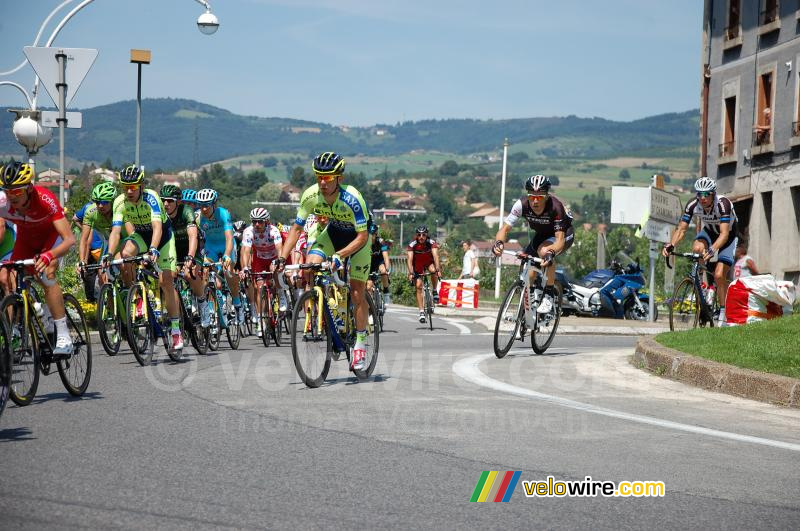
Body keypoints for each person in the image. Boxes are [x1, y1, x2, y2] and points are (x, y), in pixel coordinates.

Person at [277, 151, 372, 371]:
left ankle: (359, 343)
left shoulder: (352, 198)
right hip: (333, 233)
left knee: (357, 291)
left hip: (358, 240)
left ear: (340, 178)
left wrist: (339, 256)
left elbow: (363, 236)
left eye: (328, 177)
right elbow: (297, 229)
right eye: (319, 176)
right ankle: (326, 310)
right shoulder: (310, 196)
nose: (322, 182)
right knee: (310, 265)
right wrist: (282, 257)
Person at [0, 162, 76, 356]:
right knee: (9, 275)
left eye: (17, 192)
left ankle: (64, 335)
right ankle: (32, 312)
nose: (11, 196)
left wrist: (50, 254)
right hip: (26, 239)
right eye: (8, 191)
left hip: (51, 237)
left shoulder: (44, 199)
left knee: (47, 273)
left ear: (28, 188)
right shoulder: (3, 202)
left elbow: (69, 239)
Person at [105, 165, 183, 350]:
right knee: (124, 255)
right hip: (140, 235)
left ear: (141, 186)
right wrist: (109, 254)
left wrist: (154, 249)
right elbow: (116, 231)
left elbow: (157, 227)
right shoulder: (119, 202)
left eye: (133, 187)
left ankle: (175, 330)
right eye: (125, 187)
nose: (129, 191)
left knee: (166, 281)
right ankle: (137, 295)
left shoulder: (151, 198)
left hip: (162, 238)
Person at [492, 174, 574, 314]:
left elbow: (559, 240)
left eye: (540, 197)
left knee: (544, 252)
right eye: (532, 196)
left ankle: (549, 294)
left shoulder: (555, 207)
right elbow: (504, 229)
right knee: (527, 270)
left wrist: (551, 253)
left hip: (563, 235)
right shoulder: (521, 205)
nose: (535, 201)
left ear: (546, 196)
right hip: (541, 235)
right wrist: (498, 243)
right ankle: (527, 312)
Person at [662, 176, 738, 323]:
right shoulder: (692, 204)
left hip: (727, 236)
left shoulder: (723, 204)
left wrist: (712, 250)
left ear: (713, 194)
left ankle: (723, 311)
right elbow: (682, 229)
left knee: (719, 274)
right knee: (697, 248)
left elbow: (724, 234)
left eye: (706, 194)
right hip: (709, 231)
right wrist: (671, 244)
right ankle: (702, 286)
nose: (702, 198)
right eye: (699, 194)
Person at [195, 188, 244, 326]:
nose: (204, 209)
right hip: (211, 246)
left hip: (226, 245)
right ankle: (208, 308)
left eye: (207, 205)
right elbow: (196, 238)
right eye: (201, 205)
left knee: (228, 272)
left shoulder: (223, 213)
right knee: (204, 271)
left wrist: (227, 255)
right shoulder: (198, 217)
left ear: (214, 204)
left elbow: (229, 237)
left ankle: (237, 303)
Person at [239, 208, 283, 337]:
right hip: (260, 259)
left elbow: (279, 248)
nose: (257, 225)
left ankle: (280, 293)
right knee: (259, 287)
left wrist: (279, 262)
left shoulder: (274, 230)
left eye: (260, 222)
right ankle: (260, 319)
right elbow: (246, 251)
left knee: (276, 274)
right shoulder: (248, 232)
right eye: (254, 222)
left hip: (273, 257)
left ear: (266, 222)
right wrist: (245, 268)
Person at [160, 184, 205, 306]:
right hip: (173, 249)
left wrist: (190, 257)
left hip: (191, 247)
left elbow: (192, 236)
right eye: (163, 200)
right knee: (166, 277)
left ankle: (202, 301)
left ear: (178, 202)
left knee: (189, 274)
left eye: (170, 201)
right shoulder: (160, 214)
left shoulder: (186, 211)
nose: (165, 204)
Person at [76, 182, 119, 300]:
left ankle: (134, 294)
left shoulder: (118, 209)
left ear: (112, 201)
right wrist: (82, 261)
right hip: (107, 241)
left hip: (122, 239)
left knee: (125, 265)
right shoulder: (91, 211)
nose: (100, 205)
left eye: (105, 202)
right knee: (101, 272)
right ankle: (111, 312)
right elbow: (84, 240)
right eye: (97, 202)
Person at [406, 225, 442, 323]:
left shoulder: (431, 243)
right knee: (418, 286)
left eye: (424, 235)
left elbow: (435, 256)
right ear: (416, 236)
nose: (421, 237)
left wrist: (438, 269)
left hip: (429, 262)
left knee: (433, 271)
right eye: (419, 235)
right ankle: (421, 312)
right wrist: (410, 272)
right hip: (418, 265)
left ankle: (434, 290)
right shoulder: (412, 244)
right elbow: (409, 259)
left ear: (427, 235)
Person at [368, 215, 391, 306]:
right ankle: (371, 305)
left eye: (373, 234)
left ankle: (386, 292)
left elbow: (385, 256)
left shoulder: (380, 242)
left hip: (379, 261)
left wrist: (387, 268)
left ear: (376, 234)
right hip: (369, 263)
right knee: (369, 286)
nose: (371, 236)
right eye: (370, 234)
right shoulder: (364, 242)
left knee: (383, 271)